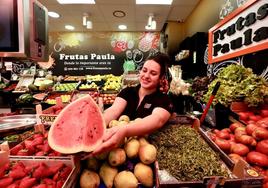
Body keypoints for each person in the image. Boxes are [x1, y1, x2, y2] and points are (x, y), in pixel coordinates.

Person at [83, 52, 173, 158]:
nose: (146, 76)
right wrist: (93, 128)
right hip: (116, 151)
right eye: (144, 70)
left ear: (161, 78)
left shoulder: (164, 100)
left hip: (145, 155)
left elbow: (157, 119)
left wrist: (124, 130)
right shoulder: (128, 92)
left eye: (153, 73)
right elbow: (113, 110)